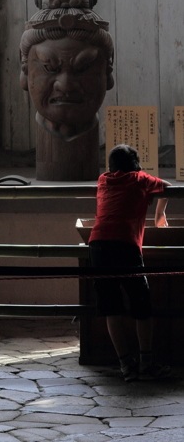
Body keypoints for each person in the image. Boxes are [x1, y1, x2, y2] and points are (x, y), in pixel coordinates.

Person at [88, 143, 169, 382]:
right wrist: (159, 213)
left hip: (98, 244)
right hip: (125, 244)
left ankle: (126, 365)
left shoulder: (103, 180)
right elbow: (166, 187)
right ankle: (146, 362)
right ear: (137, 165)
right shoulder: (140, 179)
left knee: (111, 306)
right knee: (141, 305)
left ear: (111, 166)